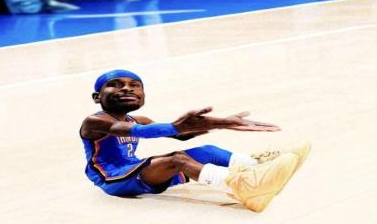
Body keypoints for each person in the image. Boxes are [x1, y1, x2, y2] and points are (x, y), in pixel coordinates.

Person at [80, 69, 311, 212]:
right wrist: (175, 126)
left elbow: (181, 135)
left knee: (207, 151)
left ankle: (258, 168)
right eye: (115, 85)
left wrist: (219, 123)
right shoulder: (94, 121)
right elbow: (139, 131)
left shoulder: (137, 118)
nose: (126, 89)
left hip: (132, 170)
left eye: (134, 85)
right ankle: (241, 186)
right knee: (177, 160)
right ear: (97, 97)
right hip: (112, 179)